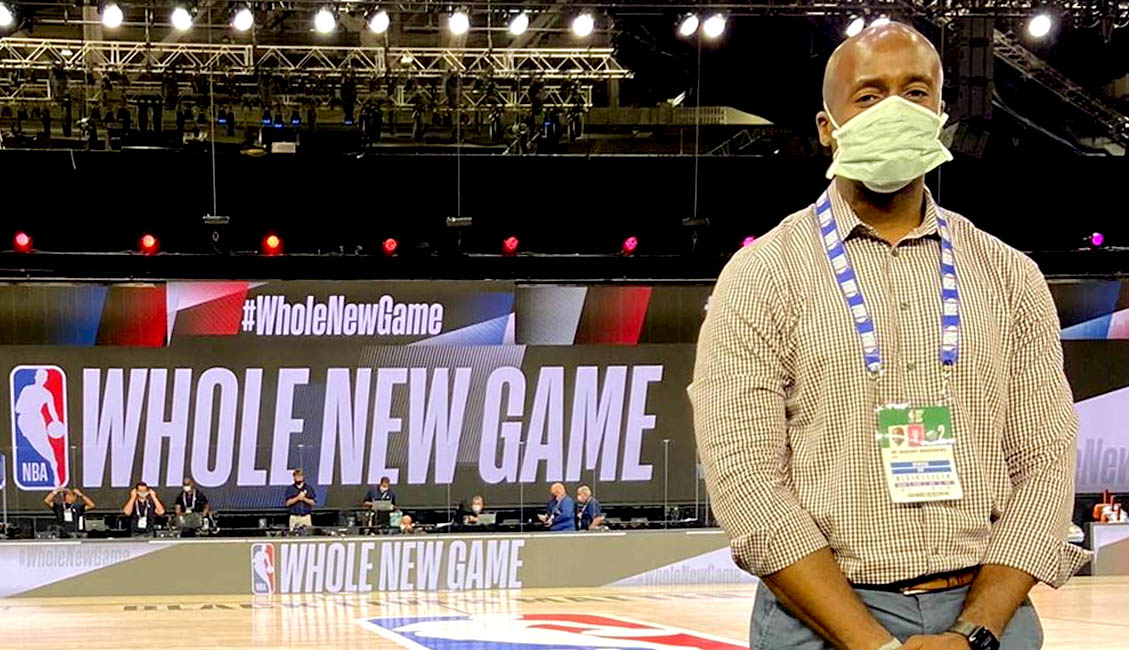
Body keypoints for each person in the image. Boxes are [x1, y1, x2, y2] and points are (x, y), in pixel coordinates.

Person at [689, 22, 1086, 650]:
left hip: (988, 611)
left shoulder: (1009, 274)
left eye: (916, 92)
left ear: (941, 116)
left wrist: (974, 631)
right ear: (828, 128)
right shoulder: (762, 276)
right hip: (822, 616)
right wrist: (872, 645)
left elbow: (1045, 461)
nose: (894, 110)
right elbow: (746, 477)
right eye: (869, 95)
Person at [15, 368, 62, 483]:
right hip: (25, 420)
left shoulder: (47, 394)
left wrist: (56, 423)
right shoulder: (27, 389)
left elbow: (52, 411)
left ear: (45, 380)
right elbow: (17, 408)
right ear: (36, 377)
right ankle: (53, 464)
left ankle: (55, 469)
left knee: (45, 446)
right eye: (40, 376)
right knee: (34, 445)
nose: (41, 379)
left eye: (43, 377)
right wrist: (29, 407)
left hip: (37, 420)